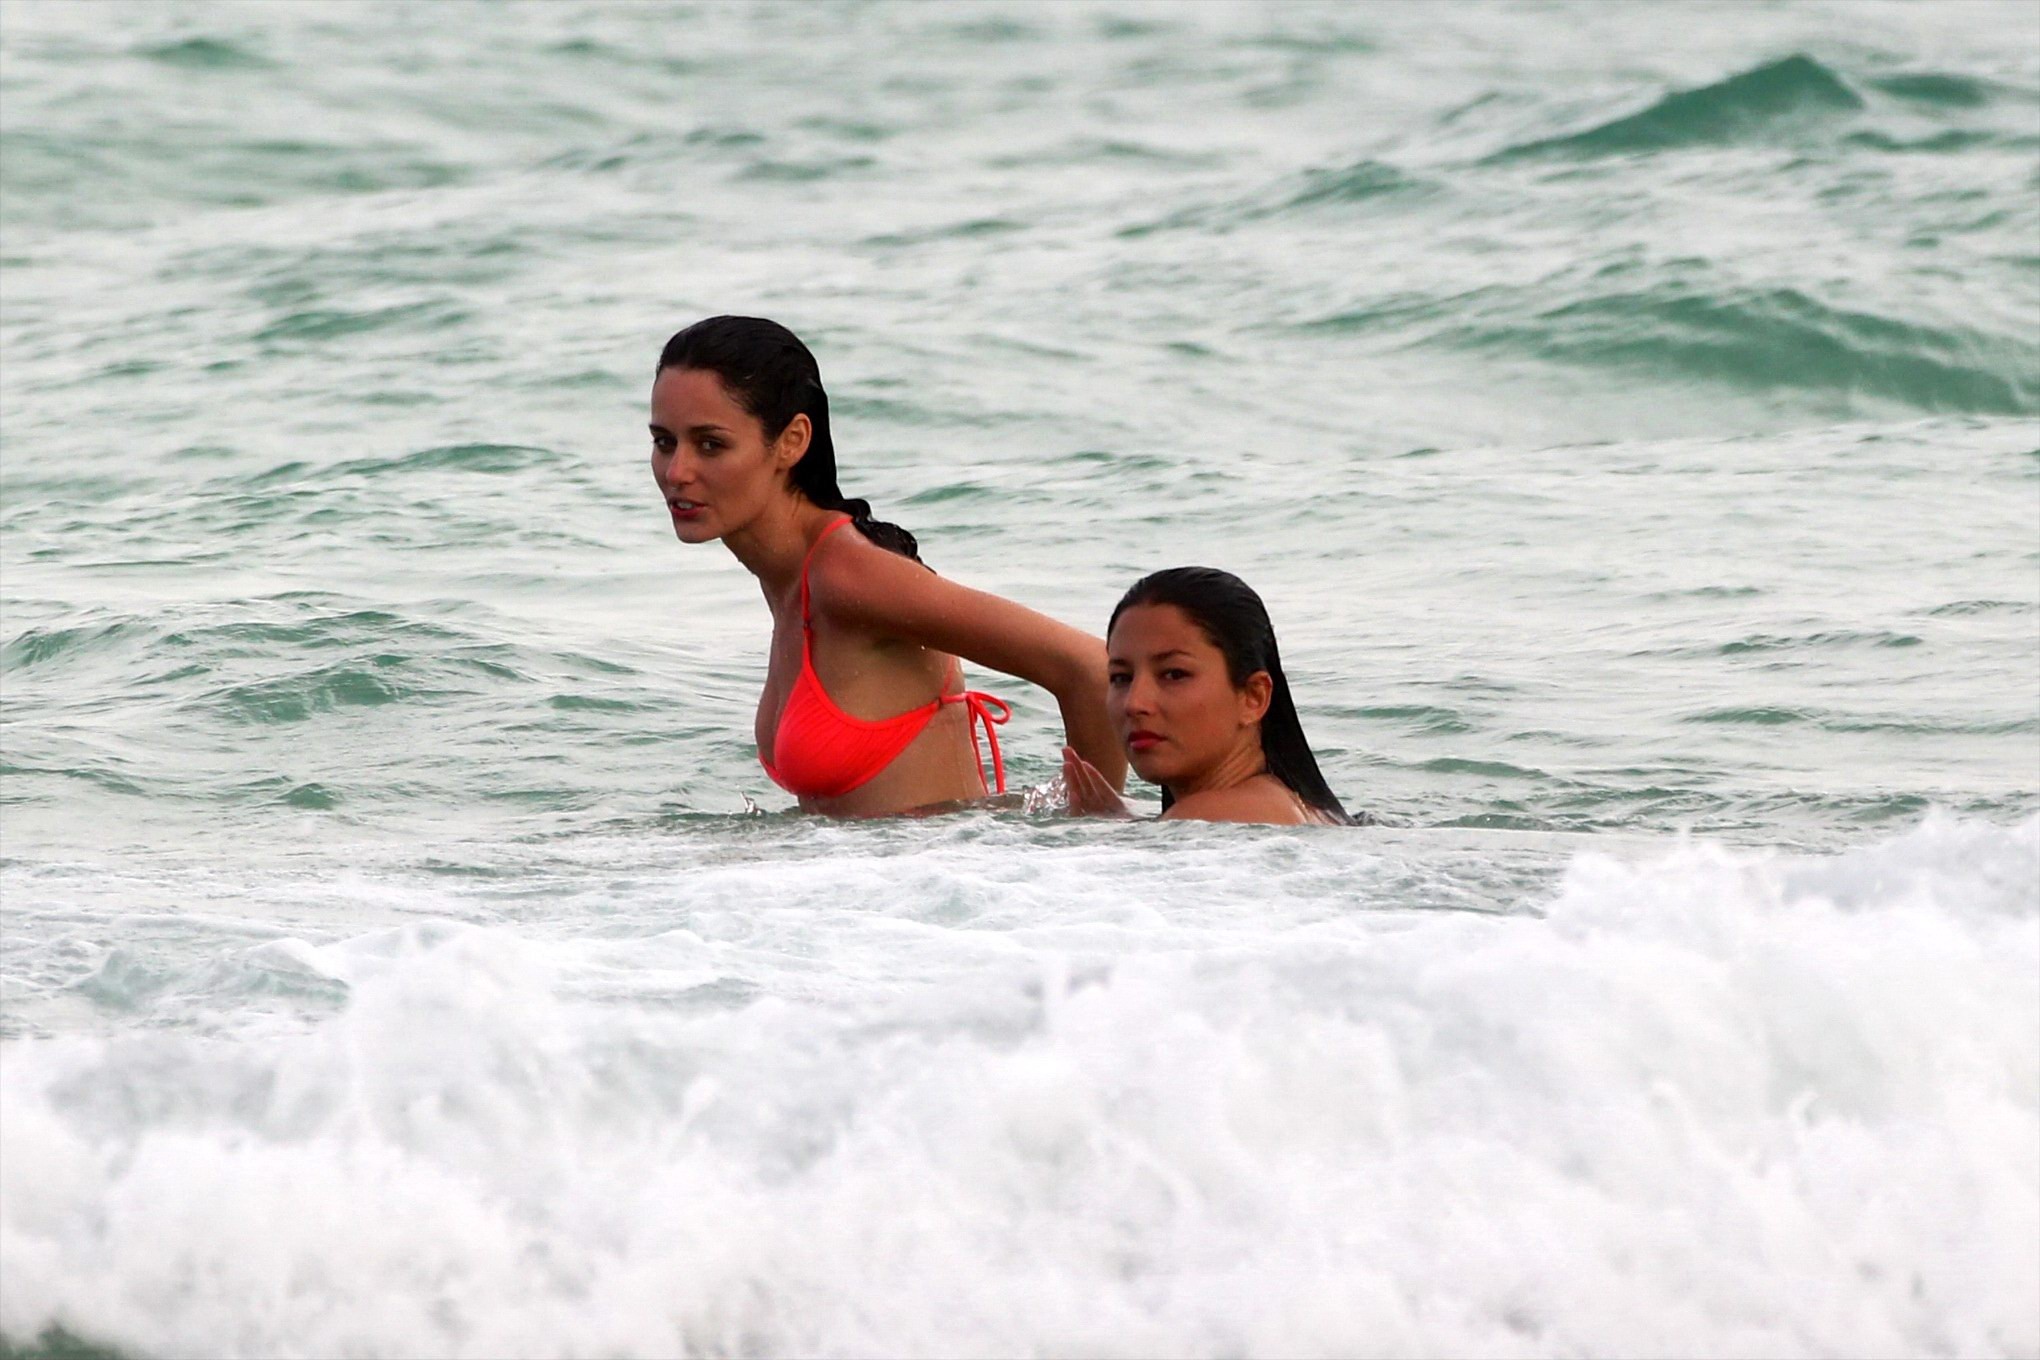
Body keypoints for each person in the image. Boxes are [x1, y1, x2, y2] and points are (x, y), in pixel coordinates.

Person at [651, 315, 1126, 816]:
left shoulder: (848, 574)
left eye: (711, 445)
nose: (677, 472)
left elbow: (1089, 669)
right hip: (888, 889)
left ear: (791, 441)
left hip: (950, 884)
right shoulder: (792, 578)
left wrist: (1088, 847)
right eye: (664, 442)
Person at [1062, 567, 1357, 825]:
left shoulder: (1214, 815)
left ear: (1253, 697)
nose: (1134, 703)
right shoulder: (1291, 809)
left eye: (1174, 674)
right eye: (1121, 678)